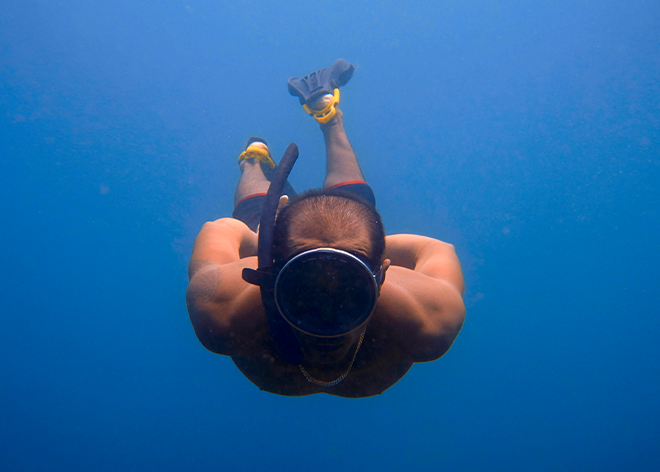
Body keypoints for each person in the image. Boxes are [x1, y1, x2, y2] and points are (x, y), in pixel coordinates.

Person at [186, 60, 465, 397]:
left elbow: (220, 230)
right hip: (296, 258)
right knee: (331, 210)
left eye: (350, 293)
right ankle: (255, 160)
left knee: (339, 216)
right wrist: (277, 241)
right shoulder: (429, 322)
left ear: (382, 276)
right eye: (303, 291)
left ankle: (324, 120)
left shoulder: (218, 313)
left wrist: (343, 242)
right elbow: (438, 250)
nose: (326, 325)